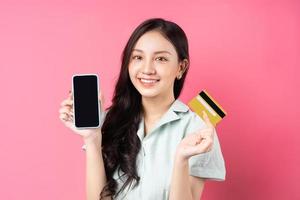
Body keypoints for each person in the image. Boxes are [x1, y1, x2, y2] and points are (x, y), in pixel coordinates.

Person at [59, 18, 225, 200]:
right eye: (138, 57)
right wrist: (92, 139)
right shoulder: (109, 121)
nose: (147, 69)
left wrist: (181, 160)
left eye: (160, 59)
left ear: (181, 67)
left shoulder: (198, 130)